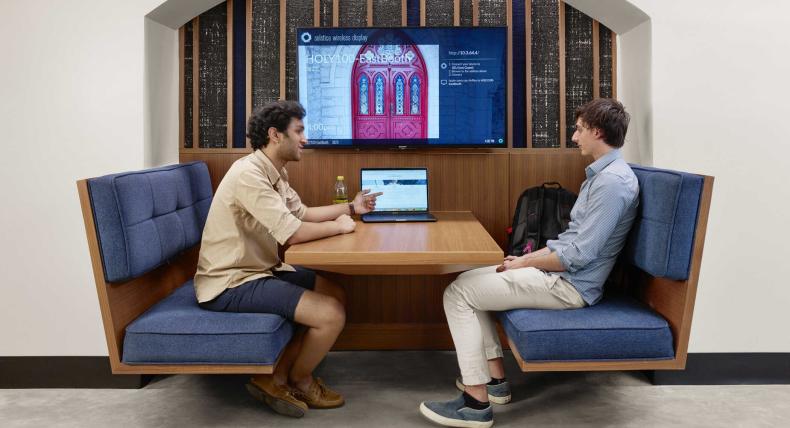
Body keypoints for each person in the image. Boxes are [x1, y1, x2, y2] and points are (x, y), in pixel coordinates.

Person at [419, 98, 639, 428]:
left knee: (457, 295)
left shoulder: (612, 184)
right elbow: (569, 244)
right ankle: (494, 381)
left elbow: (577, 256)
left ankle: (475, 403)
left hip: (570, 287)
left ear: (597, 131)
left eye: (579, 130)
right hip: (561, 275)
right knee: (467, 281)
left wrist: (524, 265)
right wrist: (524, 259)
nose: (574, 137)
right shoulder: (601, 176)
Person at [194, 100, 382, 418]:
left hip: (260, 270)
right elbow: (292, 233)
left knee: (333, 291)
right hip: (231, 281)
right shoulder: (249, 174)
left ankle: (274, 378)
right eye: (299, 131)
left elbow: (303, 212)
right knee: (331, 314)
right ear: (275, 135)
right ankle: (301, 379)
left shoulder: (274, 171)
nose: (305, 139)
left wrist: (351, 208)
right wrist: (337, 227)